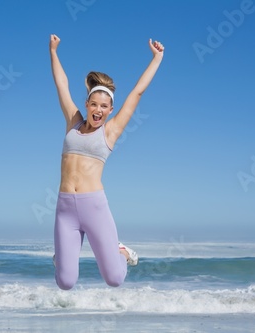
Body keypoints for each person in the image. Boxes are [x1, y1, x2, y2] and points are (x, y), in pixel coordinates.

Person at [49, 34, 164, 290]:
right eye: (94, 104)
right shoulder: (73, 122)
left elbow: (137, 92)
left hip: (95, 207)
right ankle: (62, 257)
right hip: (65, 207)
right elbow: (61, 85)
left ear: (110, 110)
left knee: (114, 279)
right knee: (65, 282)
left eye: (104, 106)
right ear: (87, 104)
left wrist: (156, 58)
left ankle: (121, 251)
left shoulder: (109, 132)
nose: (98, 110)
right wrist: (54, 51)